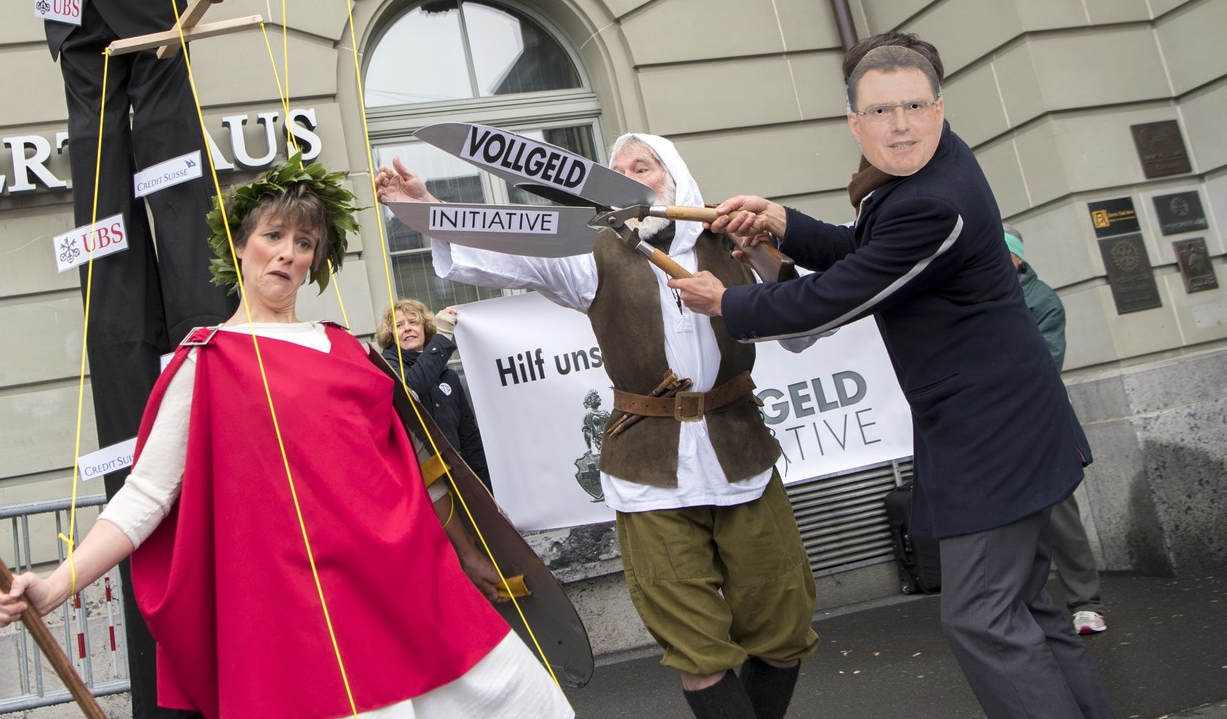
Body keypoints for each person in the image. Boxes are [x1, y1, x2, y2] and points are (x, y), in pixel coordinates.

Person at [0, 154, 574, 719]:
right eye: (274, 236)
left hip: (412, 588)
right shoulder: (207, 359)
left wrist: (468, 553)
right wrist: (57, 585)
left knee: (524, 702)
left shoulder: (348, 347)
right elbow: (146, 496)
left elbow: (415, 465)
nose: (288, 255)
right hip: (308, 612)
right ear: (241, 245)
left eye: (304, 244)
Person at [672, 40, 1114, 719]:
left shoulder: (936, 202)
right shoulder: (923, 177)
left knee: (983, 621)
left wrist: (726, 302)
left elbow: (839, 295)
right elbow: (869, 251)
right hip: (1003, 427)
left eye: (914, 106)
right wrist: (782, 223)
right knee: (1025, 608)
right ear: (855, 122)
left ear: (939, 109)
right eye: (881, 110)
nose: (900, 124)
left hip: (994, 440)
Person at [0, 0, 235, 714]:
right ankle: (106, 228)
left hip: (147, 6)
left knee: (162, 137)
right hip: (71, 6)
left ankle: (174, 258)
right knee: (96, 146)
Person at [377, 133, 818, 719]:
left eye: (645, 166)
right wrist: (427, 208)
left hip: (742, 454)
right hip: (648, 469)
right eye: (618, 171)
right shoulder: (594, 254)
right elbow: (507, 249)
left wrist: (764, 255)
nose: (632, 177)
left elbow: (802, 331)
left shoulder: (732, 238)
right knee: (695, 647)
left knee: (783, 630)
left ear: (675, 176)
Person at [1005, 225, 1107, 635]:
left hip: (1039, 421)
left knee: (1060, 517)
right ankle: (1028, 609)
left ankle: (1087, 603)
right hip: (998, 425)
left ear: (1016, 257)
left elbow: (1047, 363)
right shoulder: (979, 292)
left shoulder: (1041, 301)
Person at [376, 299, 492, 488]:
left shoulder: (449, 377)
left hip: (457, 480)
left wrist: (485, 489)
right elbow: (412, 388)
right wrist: (444, 333)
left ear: (425, 327)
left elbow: (469, 437)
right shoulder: (386, 369)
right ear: (390, 335)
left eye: (413, 322)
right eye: (399, 325)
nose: (407, 328)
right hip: (418, 486)